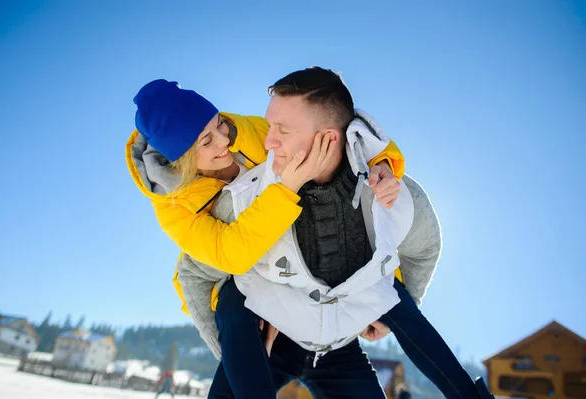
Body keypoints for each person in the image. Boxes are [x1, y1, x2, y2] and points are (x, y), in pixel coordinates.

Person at [178, 67, 495, 399]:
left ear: (327, 138)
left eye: (281, 130)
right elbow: (194, 271)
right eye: (270, 126)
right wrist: (233, 352)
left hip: (338, 348)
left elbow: (424, 247)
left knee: (390, 290)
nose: (267, 142)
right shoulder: (251, 197)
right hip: (275, 336)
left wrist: (396, 307)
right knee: (232, 296)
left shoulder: (388, 195)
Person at [126, 79, 405, 398]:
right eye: (207, 141)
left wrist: (381, 164)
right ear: (182, 158)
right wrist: (286, 189)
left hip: (312, 289)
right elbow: (232, 255)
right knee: (235, 305)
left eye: (219, 124)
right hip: (251, 310)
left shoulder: (246, 131)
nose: (224, 141)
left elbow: (334, 135)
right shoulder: (172, 205)